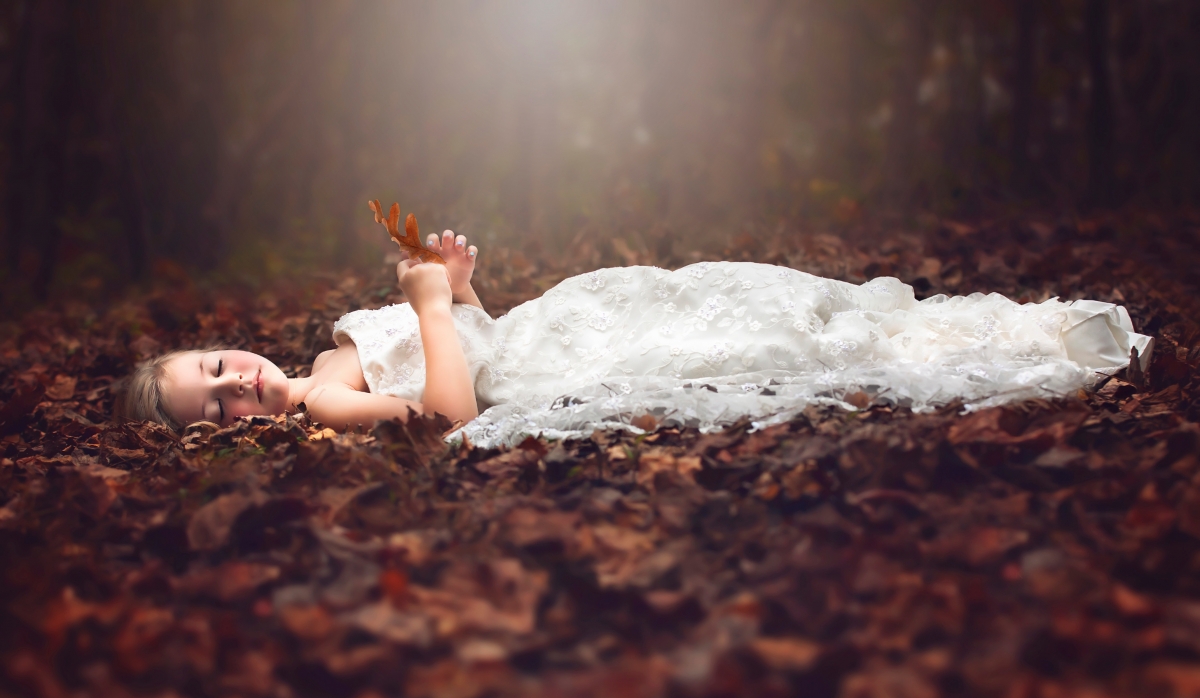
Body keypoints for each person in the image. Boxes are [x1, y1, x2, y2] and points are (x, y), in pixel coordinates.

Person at [120, 228, 1153, 449]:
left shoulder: (321, 357)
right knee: (750, 348)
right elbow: (448, 410)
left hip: (540, 327)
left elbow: (471, 339)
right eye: (215, 410)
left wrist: (463, 293)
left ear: (223, 344)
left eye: (215, 369)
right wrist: (431, 307)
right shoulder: (325, 400)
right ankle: (1025, 349)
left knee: (721, 296)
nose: (237, 387)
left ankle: (945, 329)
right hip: (552, 363)